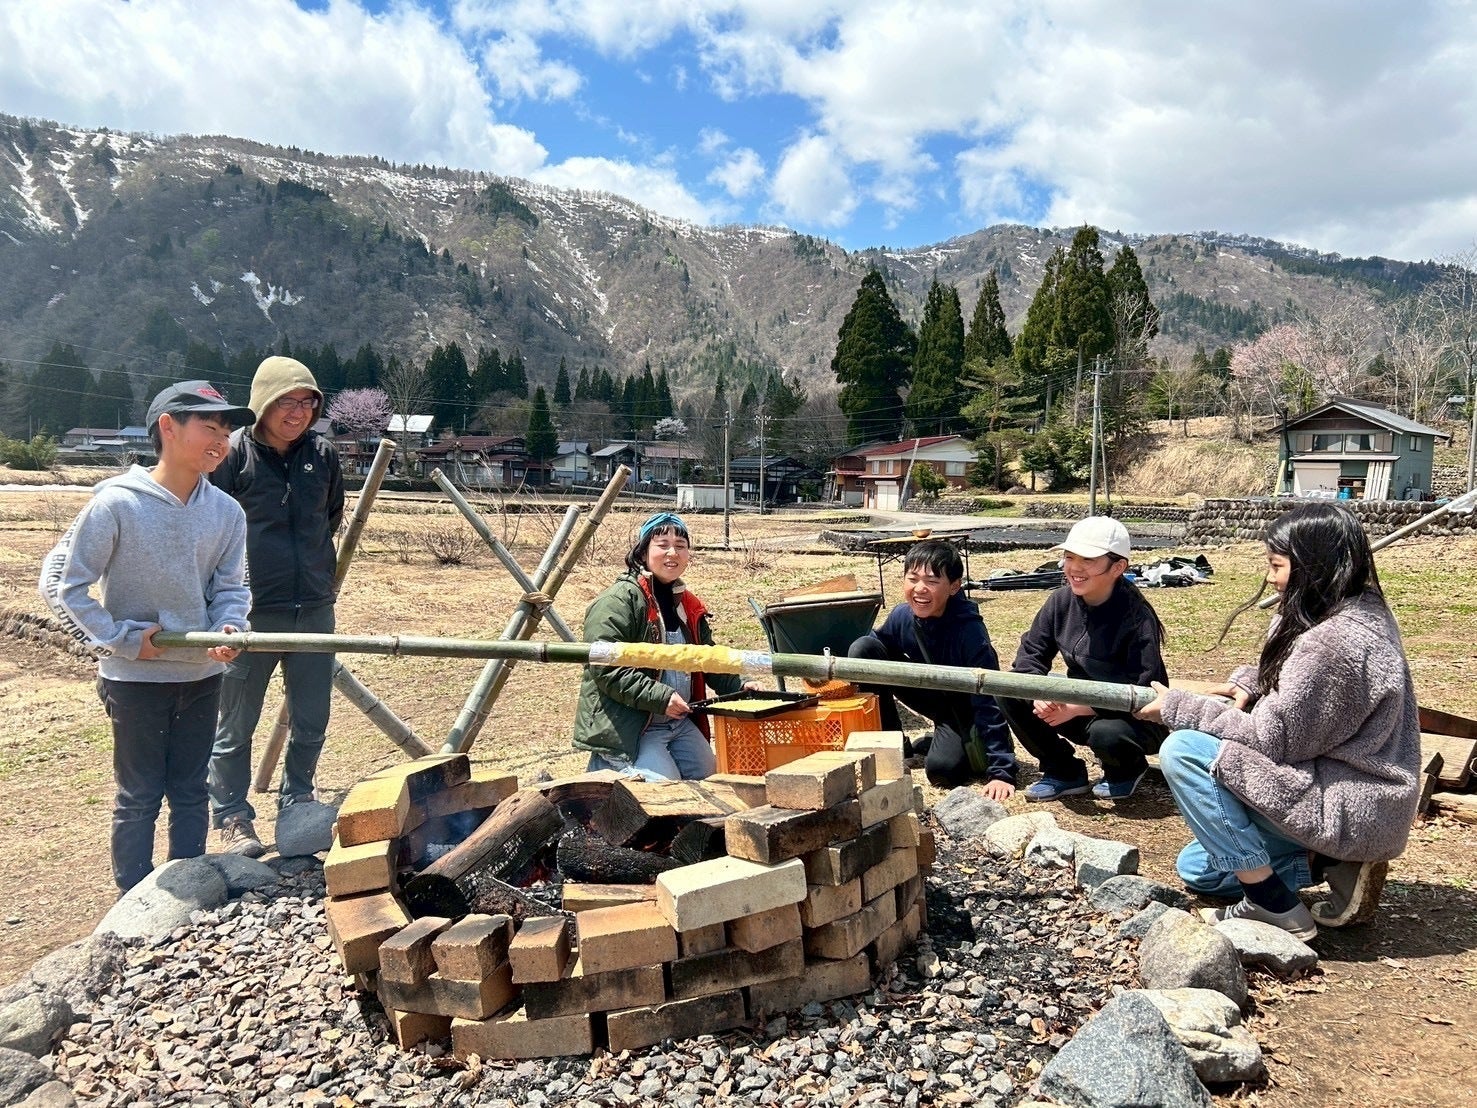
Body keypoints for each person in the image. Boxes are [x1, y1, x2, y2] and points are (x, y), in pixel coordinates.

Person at [1136, 501, 1421, 939]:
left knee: (1185, 750)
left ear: (1313, 566)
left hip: (1348, 799)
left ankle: (1272, 904)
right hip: (1352, 792)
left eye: (1276, 565)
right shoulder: (1354, 609)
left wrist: (1180, 708)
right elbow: (1303, 690)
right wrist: (1251, 682)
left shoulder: (1333, 644)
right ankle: (1325, 861)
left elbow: (1272, 738)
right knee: (1199, 869)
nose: (1269, 577)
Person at [39, 381, 253, 893]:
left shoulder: (227, 512)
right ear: (168, 427)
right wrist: (121, 640)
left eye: (225, 432)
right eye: (209, 427)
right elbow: (62, 585)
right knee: (138, 796)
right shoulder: (116, 503)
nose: (220, 441)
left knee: (191, 790)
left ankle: (192, 895)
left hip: (202, 676)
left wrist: (229, 630)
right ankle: (132, 899)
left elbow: (231, 589)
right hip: (134, 679)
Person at [208, 357, 345, 856]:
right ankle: (231, 814)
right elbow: (211, 528)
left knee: (312, 715)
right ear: (262, 402)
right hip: (248, 610)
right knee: (236, 720)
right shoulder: (232, 455)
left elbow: (330, 517)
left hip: (313, 606)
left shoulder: (323, 455)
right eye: (286, 401)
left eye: (307, 402)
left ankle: (298, 799)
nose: (297, 412)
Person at [998, 517, 1169, 802]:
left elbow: (1142, 690)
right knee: (1009, 691)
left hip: (1130, 719)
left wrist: (1077, 707)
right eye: (1069, 557)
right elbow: (1031, 655)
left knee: (1106, 733)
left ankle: (1126, 769)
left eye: (1088, 559)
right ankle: (1063, 771)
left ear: (1118, 567)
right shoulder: (1060, 601)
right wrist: (1039, 693)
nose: (1075, 568)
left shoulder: (1137, 618)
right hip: (1073, 703)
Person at [572, 511, 744, 780]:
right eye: (662, 545)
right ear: (642, 553)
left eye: (680, 546)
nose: (672, 553)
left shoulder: (688, 604)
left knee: (709, 777)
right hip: (632, 724)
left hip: (677, 722)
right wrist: (661, 698)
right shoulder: (618, 601)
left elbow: (707, 656)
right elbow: (605, 668)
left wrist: (740, 686)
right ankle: (607, 771)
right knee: (664, 788)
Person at [847, 540, 1017, 799]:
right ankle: (895, 745)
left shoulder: (970, 632)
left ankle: (947, 740)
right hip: (930, 695)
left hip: (962, 710)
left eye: (932, 581)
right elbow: (873, 647)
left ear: (954, 586)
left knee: (943, 772)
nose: (920, 589)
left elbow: (989, 700)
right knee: (863, 649)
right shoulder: (902, 616)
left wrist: (1001, 771)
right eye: (912, 578)